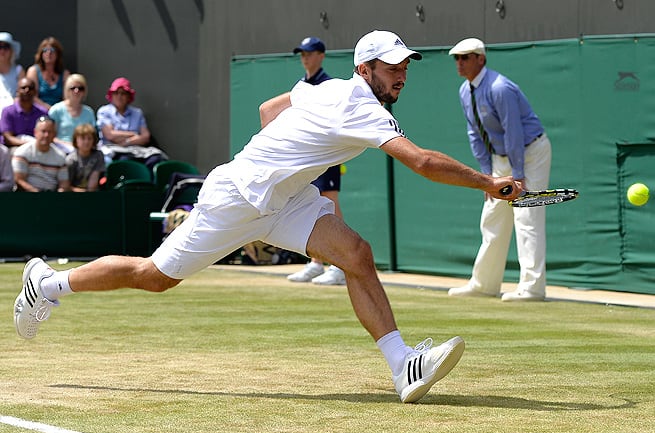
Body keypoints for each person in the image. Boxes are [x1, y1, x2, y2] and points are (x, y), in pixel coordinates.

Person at [13, 30, 520, 404]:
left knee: (356, 255)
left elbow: (267, 110)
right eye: (391, 68)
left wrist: (286, 159)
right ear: (365, 70)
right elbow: (422, 162)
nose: (401, 75)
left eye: (405, 66)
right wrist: (486, 183)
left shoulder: (324, 89)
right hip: (237, 198)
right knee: (154, 277)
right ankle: (48, 284)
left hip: (287, 200)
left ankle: (402, 365)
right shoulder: (360, 106)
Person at [446, 38, 552, 302]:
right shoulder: (464, 91)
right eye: (457, 58)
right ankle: (484, 284)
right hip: (500, 159)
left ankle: (532, 289)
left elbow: (513, 131)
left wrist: (518, 174)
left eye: (465, 57)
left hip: (530, 153)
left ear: (480, 59)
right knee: (492, 217)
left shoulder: (500, 88)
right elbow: (474, 133)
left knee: (526, 217)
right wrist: (487, 176)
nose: (459, 62)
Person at [286, 36, 348, 286]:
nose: (305, 58)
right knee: (312, 205)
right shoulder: (301, 85)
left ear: (321, 55)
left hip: (326, 153)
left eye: (310, 53)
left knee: (330, 203)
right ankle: (316, 262)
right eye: (302, 53)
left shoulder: (329, 86)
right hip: (307, 155)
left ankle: (340, 265)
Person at [96, 77, 167, 170]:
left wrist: (126, 142)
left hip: (136, 150)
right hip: (112, 151)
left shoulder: (137, 113)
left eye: (123, 93)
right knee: (126, 161)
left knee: (156, 159)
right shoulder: (104, 111)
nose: (119, 96)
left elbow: (146, 137)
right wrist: (133, 134)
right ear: (111, 95)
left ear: (129, 96)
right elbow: (110, 135)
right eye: (116, 93)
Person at [11, 115, 70, 192]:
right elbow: (19, 180)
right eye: (43, 131)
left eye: (50, 132)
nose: (46, 135)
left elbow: (64, 184)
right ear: (35, 132)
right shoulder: (22, 152)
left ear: (55, 134)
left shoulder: (60, 156)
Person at [48, 73, 96, 154]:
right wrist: (70, 146)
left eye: (80, 88)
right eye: (73, 88)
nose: (76, 91)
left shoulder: (89, 112)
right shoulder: (56, 110)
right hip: (60, 150)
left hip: (84, 151)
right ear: (66, 90)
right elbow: (50, 136)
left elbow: (92, 136)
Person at [0, 77, 47, 148]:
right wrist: (29, 144)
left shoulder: (42, 113)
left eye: (30, 88)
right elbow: (8, 138)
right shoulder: (8, 111)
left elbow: (46, 135)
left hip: (36, 148)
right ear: (17, 91)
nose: (27, 90)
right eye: (23, 88)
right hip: (13, 148)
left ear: (35, 92)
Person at [26, 37, 70, 109]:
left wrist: (57, 111)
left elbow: (67, 98)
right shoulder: (33, 71)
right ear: (41, 54)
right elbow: (32, 97)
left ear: (58, 54)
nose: (49, 53)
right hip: (39, 111)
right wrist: (49, 109)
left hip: (59, 111)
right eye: (45, 50)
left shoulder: (65, 74)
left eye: (52, 50)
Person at [66, 123, 105, 192]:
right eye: (83, 138)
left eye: (89, 138)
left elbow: (92, 185)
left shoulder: (98, 155)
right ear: (76, 140)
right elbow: (66, 185)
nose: (86, 142)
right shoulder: (70, 160)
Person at [0, 32, 25, 118]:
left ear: (11, 51)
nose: (2, 51)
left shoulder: (19, 70)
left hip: (14, 113)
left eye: (6, 47)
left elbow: (23, 94)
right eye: (0, 47)